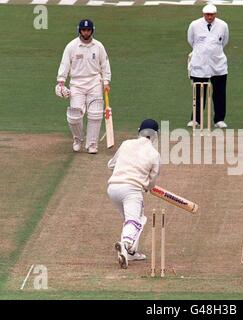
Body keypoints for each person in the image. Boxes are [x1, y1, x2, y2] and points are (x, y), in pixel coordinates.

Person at [107, 119, 161, 269]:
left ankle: (131, 252)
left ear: (139, 130)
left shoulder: (126, 144)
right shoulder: (154, 154)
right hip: (132, 190)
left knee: (134, 219)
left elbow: (111, 164)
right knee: (135, 221)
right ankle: (125, 244)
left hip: (113, 188)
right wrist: (147, 186)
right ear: (156, 135)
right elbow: (152, 181)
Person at [56, 19, 111, 154]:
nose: (86, 32)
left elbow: (105, 64)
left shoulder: (98, 46)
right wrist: (61, 81)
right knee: (74, 115)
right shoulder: (71, 46)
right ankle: (78, 138)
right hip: (77, 83)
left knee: (96, 114)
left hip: (94, 82)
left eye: (88, 30)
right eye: (83, 30)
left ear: (92, 30)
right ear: (79, 30)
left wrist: (106, 82)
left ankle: (92, 144)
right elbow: (65, 64)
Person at [187, 4, 229, 129]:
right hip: (199, 64)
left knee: (220, 93)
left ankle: (219, 119)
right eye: (207, 14)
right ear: (203, 14)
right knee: (199, 93)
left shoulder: (223, 25)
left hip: (218, 64)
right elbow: (191, 41)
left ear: (215, 14)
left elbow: (224, 41)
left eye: (212, 14)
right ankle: (196, 119)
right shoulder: (194, 25)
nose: (209, 17)